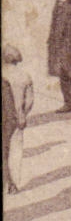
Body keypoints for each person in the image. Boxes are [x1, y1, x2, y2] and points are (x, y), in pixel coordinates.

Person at [3, 44, 34, 194]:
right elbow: (29, 101)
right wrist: (22, 113)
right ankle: (14, 183)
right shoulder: (24, 76)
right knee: (16, 151)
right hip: (18, 119)